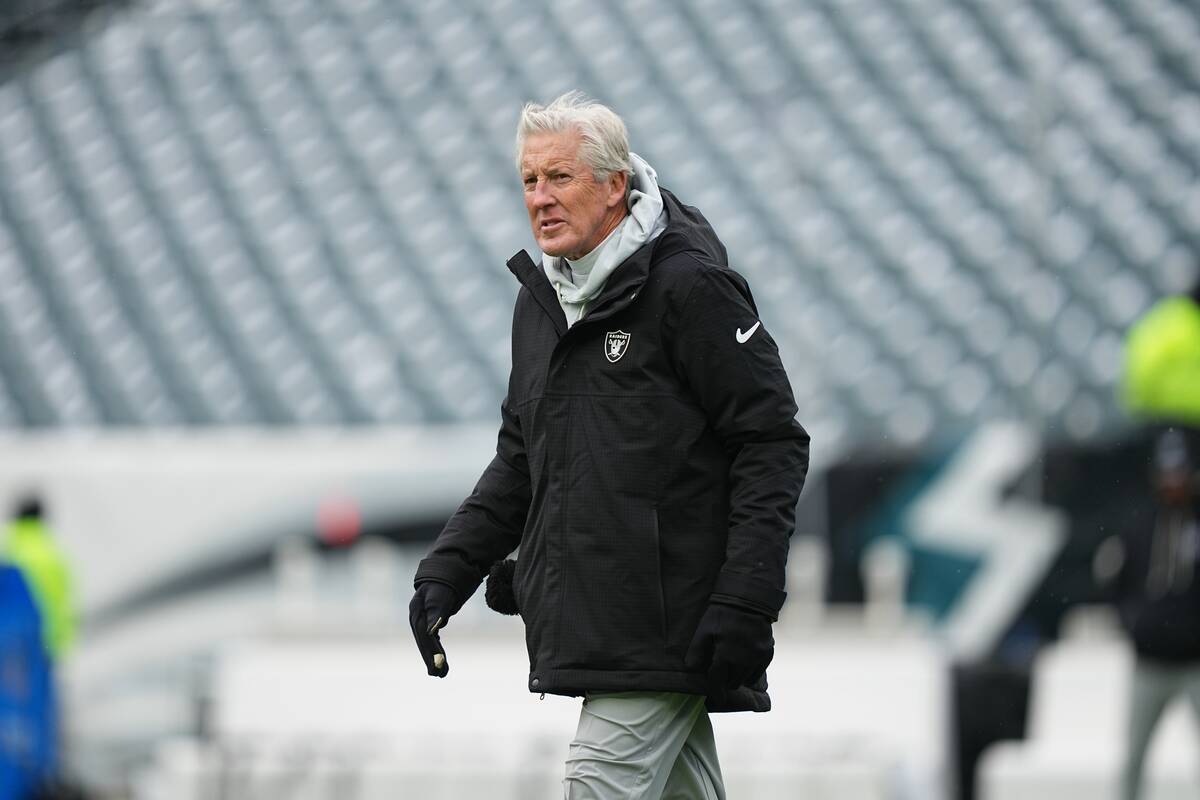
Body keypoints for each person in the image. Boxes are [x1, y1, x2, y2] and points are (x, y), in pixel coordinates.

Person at [408, 91, 810, 798]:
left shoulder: (690, 287)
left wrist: (749, 596)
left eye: (559, 177)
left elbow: (771, 441)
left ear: (615, 185)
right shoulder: (540, 302)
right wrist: (449, 569)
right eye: (529, 180)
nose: (540, 198)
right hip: (617, 633)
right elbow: (522, 458)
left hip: (668, 626)